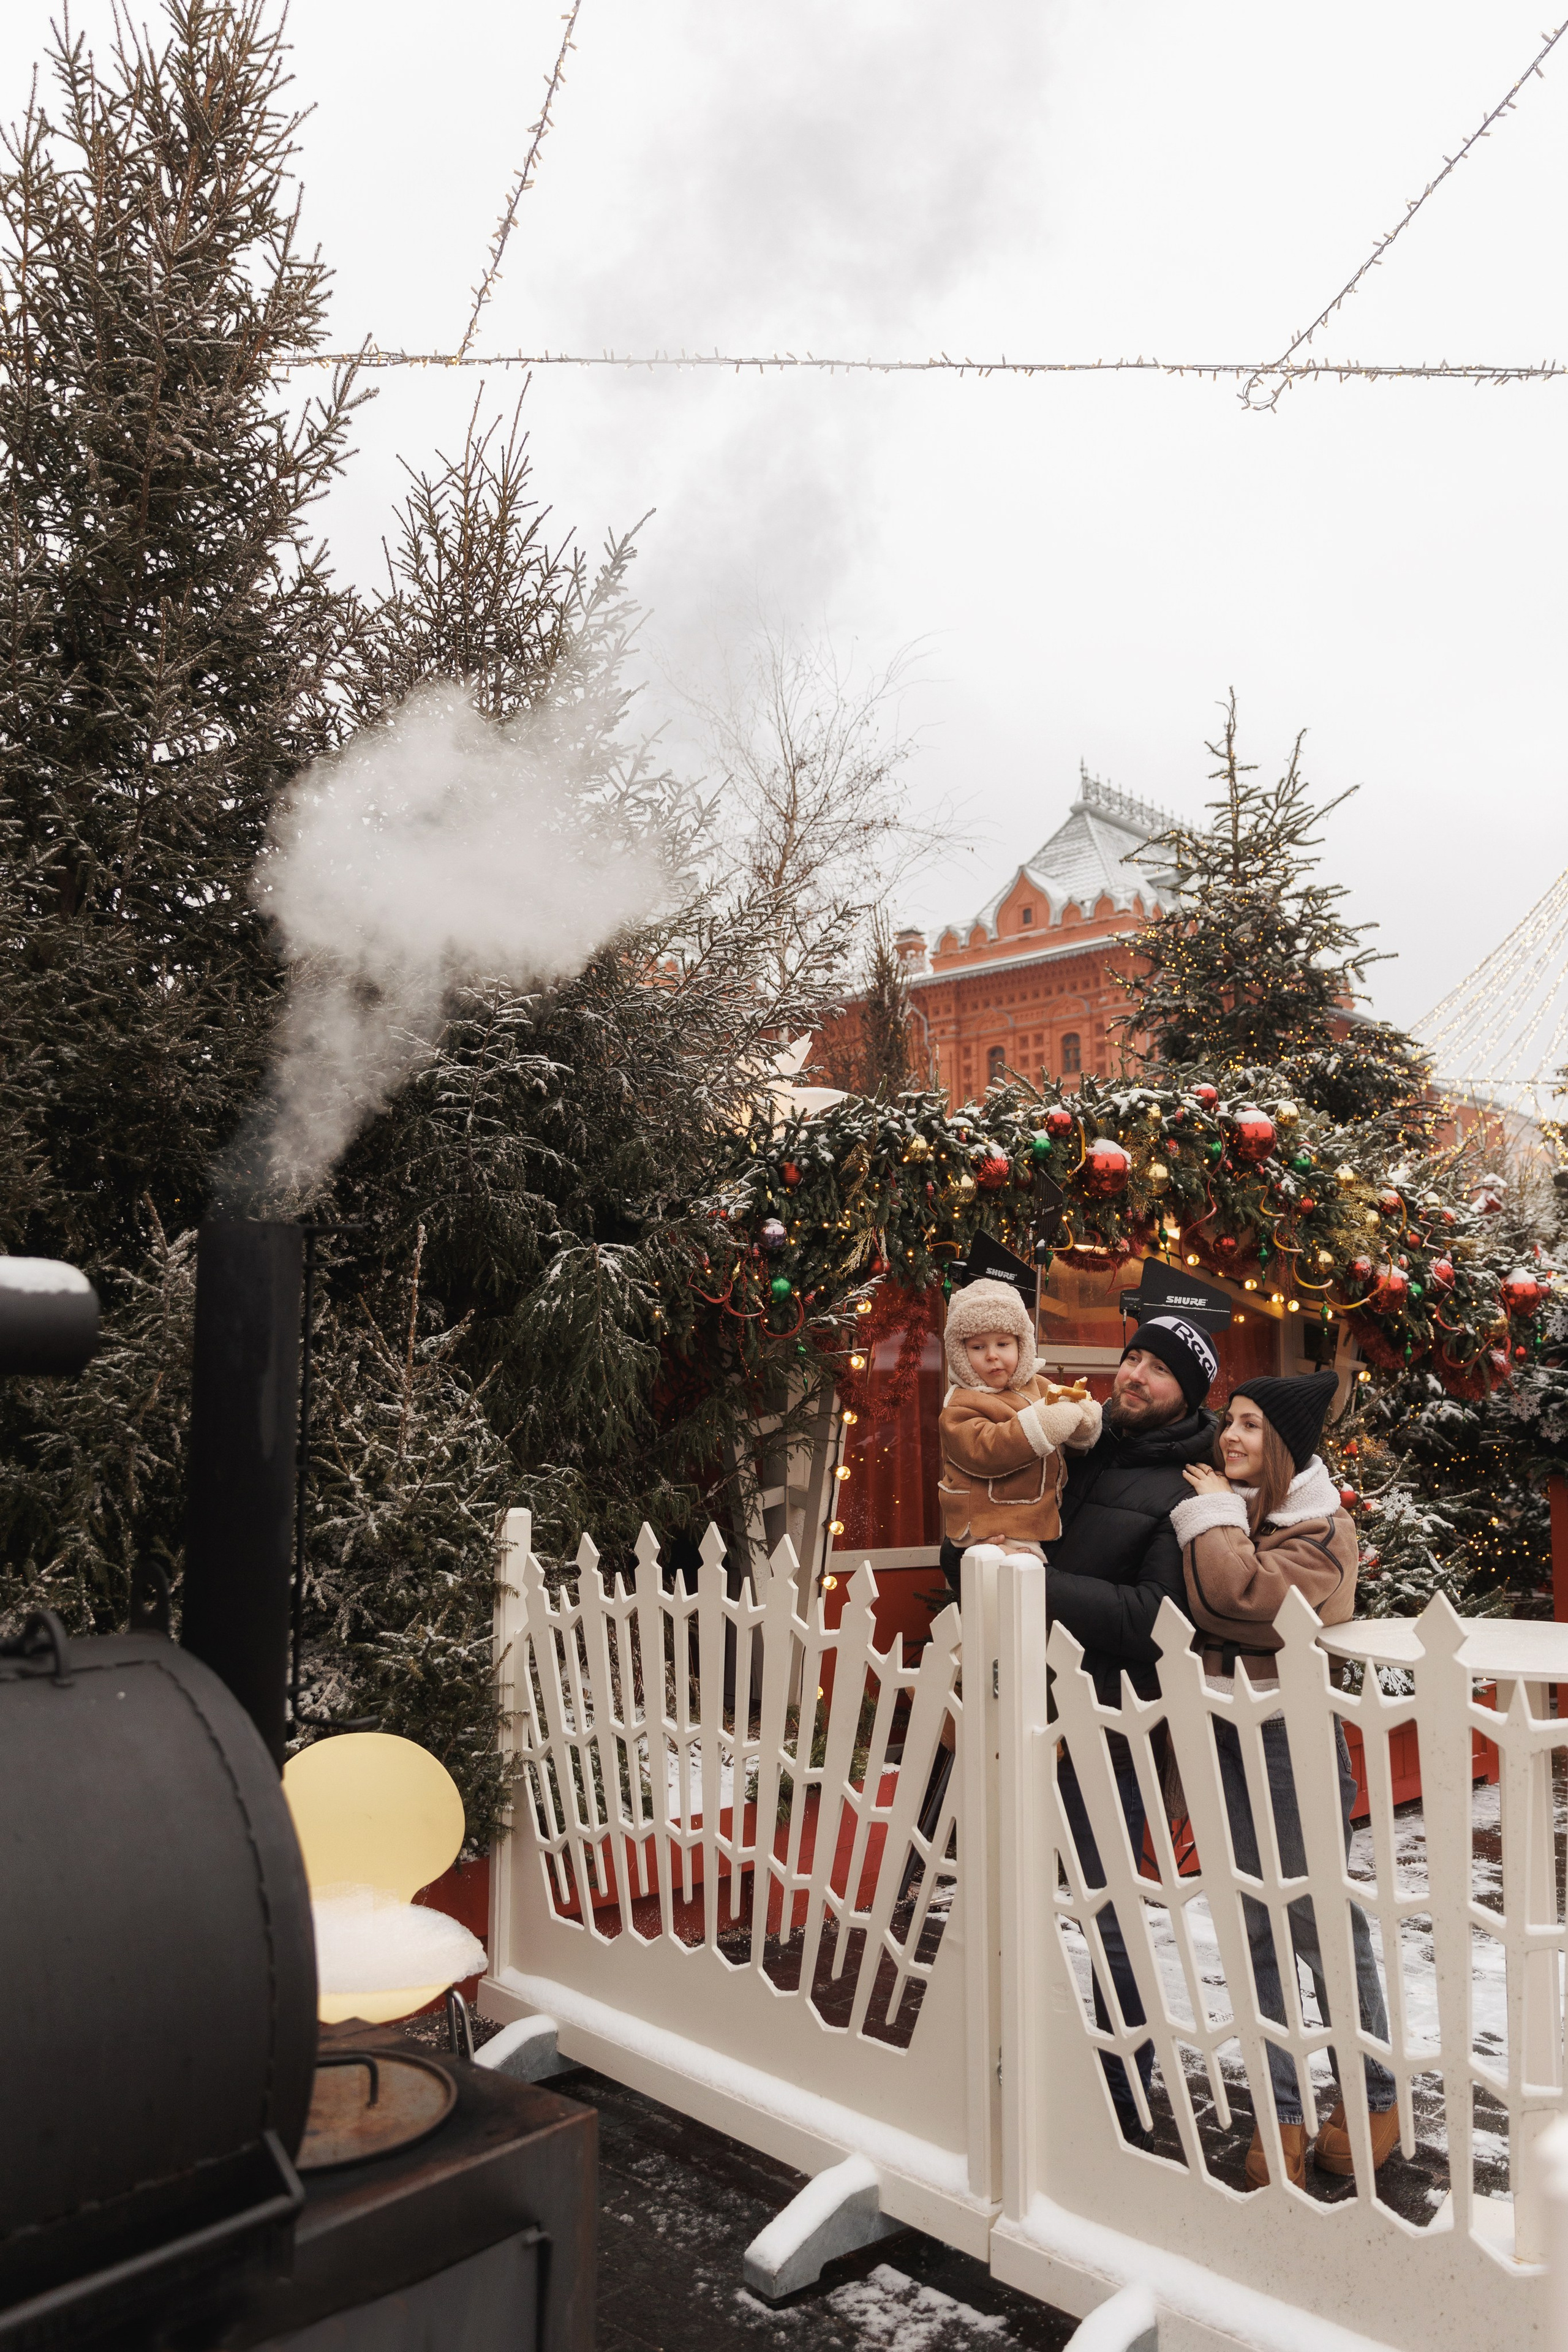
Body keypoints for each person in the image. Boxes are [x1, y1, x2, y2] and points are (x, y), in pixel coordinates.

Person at [1171, 1370, 1398, 2190]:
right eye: (1230, 1421)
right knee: (1254, 1927)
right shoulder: (1242, 1512)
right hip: (1219, 1729)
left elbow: (1244, 1599)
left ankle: (1373, 2096)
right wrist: (1224, 1516)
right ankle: (1285, 2109)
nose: (1231, 1437)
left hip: (1288, 1735)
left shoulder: (1320, 1530)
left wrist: (1213, 1519)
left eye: (1254, 1427)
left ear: (1288, 1446)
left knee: (1318, 1924)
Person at [1047, 1313, 1221, 2147]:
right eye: (1132, 1357)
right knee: (994, 1898)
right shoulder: (1077, 1451)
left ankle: (1125, 2091)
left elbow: (1159, 1620)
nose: (1135, 1375)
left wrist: (1030, 1586)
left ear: (1189, 1392)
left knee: (1105, 1915)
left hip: (1108, 1729)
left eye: (1158, 1368)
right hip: (1021, 1705)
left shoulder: (1192, 1486)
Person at [936, 1278, 1102, 1567]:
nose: (993, 1355)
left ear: (1022, 1346)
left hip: (1028, 1518)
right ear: (960, 1355)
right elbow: (986, 1450)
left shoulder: (1037, 1385)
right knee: (1015, 1579)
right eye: (978, 1347)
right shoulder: (960, 1404)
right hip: (986, 1523)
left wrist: (1081, 1426)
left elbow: (1057, 1440)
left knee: (1026, 1586)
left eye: (1003, 1343)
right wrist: (1047, 1422)